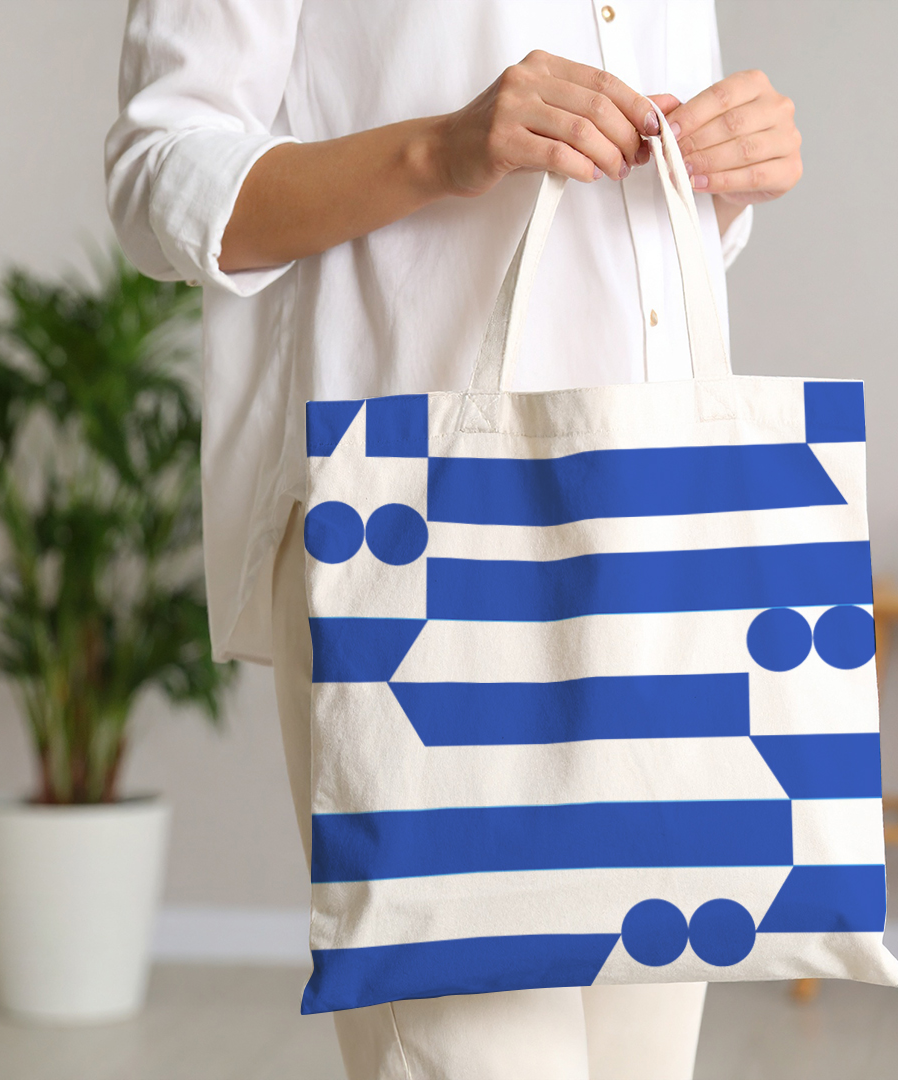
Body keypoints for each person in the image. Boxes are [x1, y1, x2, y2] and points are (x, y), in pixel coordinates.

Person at [107, 3, 802, 1077]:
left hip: (658, 531)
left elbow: (643, 238)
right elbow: (160, 182)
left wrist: (725, 171)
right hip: (415, 549)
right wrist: (440, 147)